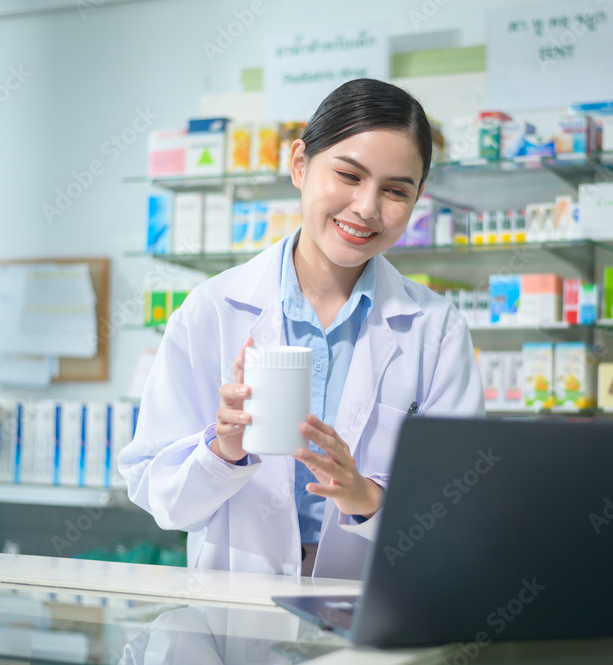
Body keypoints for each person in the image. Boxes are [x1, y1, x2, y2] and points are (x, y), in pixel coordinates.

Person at [119, 78, 484, 580]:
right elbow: (158, 496)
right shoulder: (211, 311)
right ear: (299, 164)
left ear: (418, 198)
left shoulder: (436, 329)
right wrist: (223, 448)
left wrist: (364, 496)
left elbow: (459, 507)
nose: (367, 207)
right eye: (349, 175)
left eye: (395, 190)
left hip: (371, 595)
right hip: (238, 596)